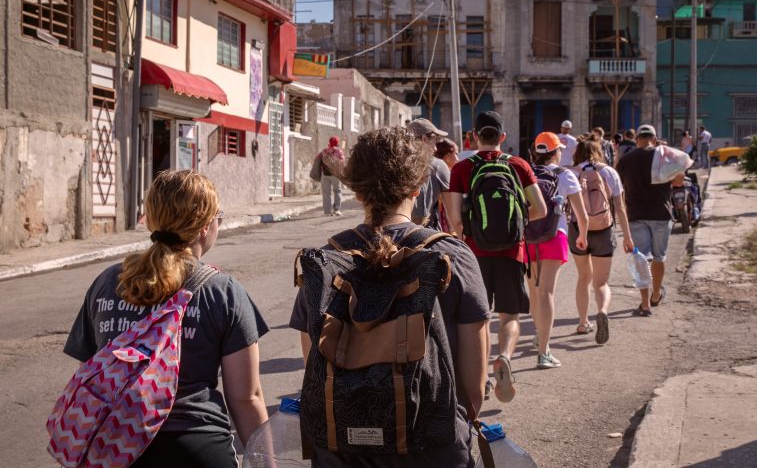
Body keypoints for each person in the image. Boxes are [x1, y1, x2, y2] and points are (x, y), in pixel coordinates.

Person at [290, 127, 491, 467]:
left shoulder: (327, 261)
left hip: (342, 452)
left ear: (357, 192)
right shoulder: (451, 255)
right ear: (418, 186)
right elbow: (473, 390)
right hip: (432, 451)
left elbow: (315, 360)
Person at [63, 170, 269, 467]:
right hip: (196, 446)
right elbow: (246, 398)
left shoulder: (108, 282)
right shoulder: (223, 291)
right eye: (218, 216)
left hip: (114, 447)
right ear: (204, 227)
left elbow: (94, 377)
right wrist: (268, 461)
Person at [447, 111, 546, 401]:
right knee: (510, 315)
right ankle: (504, 356)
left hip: (474, 254)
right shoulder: (519, 165)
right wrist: (516, 221)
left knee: (480, 319)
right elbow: (540, 209)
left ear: (475, 136)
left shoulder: (463, 168)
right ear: (502, 137)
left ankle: (484, 379)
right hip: (512, 252)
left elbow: (455, 221)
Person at [526, 132, 589, 369]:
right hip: (555, 235)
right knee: (547, 293)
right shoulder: (566, 175)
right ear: (557, 152)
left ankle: (537, 333)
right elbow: (581, 215)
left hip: (529, 236)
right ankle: (544, 351)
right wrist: (582, 236)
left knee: (534, 290)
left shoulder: (526, 172)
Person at [570, 140, 634, 343]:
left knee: (583, 278)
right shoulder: (609, 173)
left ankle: (583, 322)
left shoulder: (573, 173)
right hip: (604, 230)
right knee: (601, 282)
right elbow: (620, 208)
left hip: (578, 230)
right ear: (599, 152)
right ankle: (603, 311)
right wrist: (628, 238)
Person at [616, 125, 684, 316]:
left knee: (641, 258)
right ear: (654, 139)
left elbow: (618, 185)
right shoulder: (664, 156)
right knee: (659, 257)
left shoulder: (627, 159)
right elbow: (678, 181)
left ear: (637, 139)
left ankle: (645, 303)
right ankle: (656, 295)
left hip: (636, 214)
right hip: (661, 214)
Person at [408, 118, 452, 228]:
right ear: (424, 139)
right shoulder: (437, 165)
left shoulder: (396, 164)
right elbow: (452, 212)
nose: (436, 148)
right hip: (428, 235)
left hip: (396, 236)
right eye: (433, 142)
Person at [435, 138, 460, 232]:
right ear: (448, 156)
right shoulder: (446, 177)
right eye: (456, 154)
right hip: (444, 228)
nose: (458, 159)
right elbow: (451, 210)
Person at [318, 136, 345, 216]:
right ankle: (336, 210)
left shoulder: (324, 151)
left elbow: (319, 161)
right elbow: (342, 162)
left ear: (329, 142)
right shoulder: (339, 151)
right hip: (335, 174)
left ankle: (327, 212)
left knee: (326, 193)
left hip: (325, 174)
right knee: (337, 191)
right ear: (337, 142)